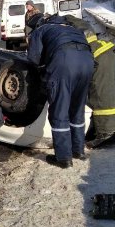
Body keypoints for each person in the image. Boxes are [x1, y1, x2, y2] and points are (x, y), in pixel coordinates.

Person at [27, 15, 94, 168]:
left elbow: (33, 58)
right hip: (87, 62)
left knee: (60, 110)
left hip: (64, 62)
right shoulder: (72, 28)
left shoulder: (41, 29)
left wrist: (43, 71)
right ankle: (78, 150)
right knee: (77, 109)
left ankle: (64, 158)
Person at [62, 15, 115, 149]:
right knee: (98, 92)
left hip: (94, 55)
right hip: (99, 52)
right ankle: (100, 129)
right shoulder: (69, 20)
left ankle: (107, 134)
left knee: (100, 95)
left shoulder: (60, 26)